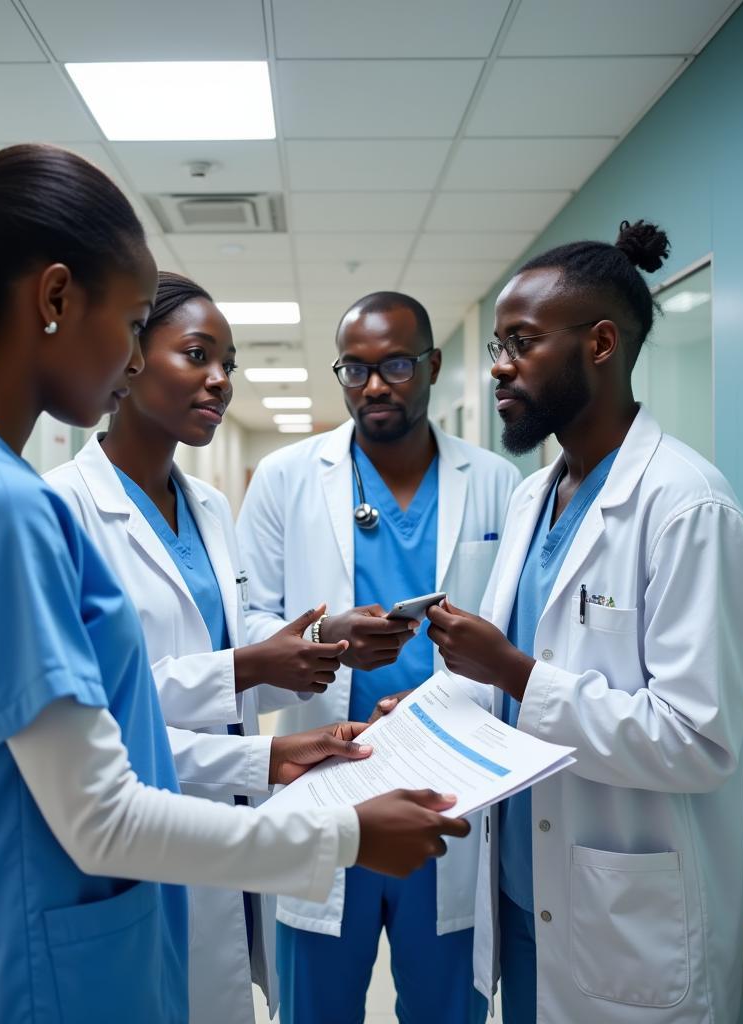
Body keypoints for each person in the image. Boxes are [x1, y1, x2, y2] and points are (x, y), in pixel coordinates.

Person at [0, 145, 472, 1024]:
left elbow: (73, 749)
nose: (134, 358)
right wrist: (348, 834)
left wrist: (266, 757)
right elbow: (100, 817)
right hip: (34, 978)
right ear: (56, 299)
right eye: (136, 322)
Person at [423, 220, 743, 1022]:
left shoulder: (687, 506)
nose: (499, 367)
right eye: (499, 344)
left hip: (626, 915)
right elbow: (521, 690)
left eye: (521, 343)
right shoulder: (534, 494)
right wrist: (432, 713)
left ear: (601, 343)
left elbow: (697, 739)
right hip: (526, 891)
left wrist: (509, 671)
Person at [46, 271, 362, 1023]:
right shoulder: (61, 508)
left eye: (229, 363)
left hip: (224, 821)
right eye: (197, 355)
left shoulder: (211, 506)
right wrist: (252, 670)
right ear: (128, 357)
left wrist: (319, 643)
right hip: (133, 835)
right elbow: (95, 703)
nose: (220, 380)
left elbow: (232, 634)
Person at [237, 292, 519, 1024]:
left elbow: (518, 637)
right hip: (331, 782)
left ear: (431, 365)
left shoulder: (496, 482)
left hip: (449, 789)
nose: (374, 385)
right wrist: (328, 635)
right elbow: (248, 622)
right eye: (354, 369)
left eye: (395, 364)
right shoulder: (285, 477)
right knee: (318, 1006)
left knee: (444, 1004)